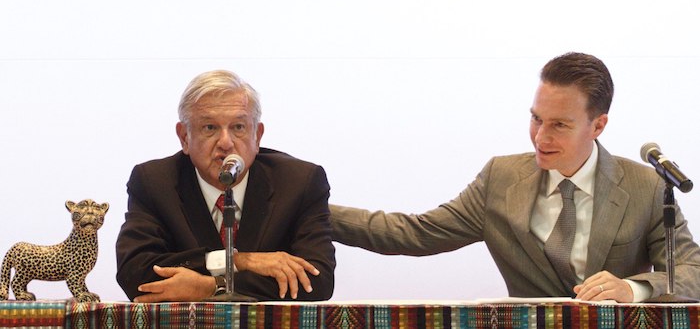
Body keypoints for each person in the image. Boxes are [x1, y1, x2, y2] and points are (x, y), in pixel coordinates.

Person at [331, 52, 700, 302]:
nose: (541, 137)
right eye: (536, 119)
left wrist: (634, 289)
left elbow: (693, 271)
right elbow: (413, 233)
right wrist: (309, 207)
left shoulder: (646, 186)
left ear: (598, 125)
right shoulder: (501, 178)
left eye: (559, 125)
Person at [116, 70, 335, 302]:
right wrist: (237, 261)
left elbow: (317, 281)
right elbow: (135, 273)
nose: (226, 142)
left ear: (257, 136)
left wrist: (210, 287)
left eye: (238, 127)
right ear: (184, 137)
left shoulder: (299, 182)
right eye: (209, 128)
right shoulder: (155, 183)